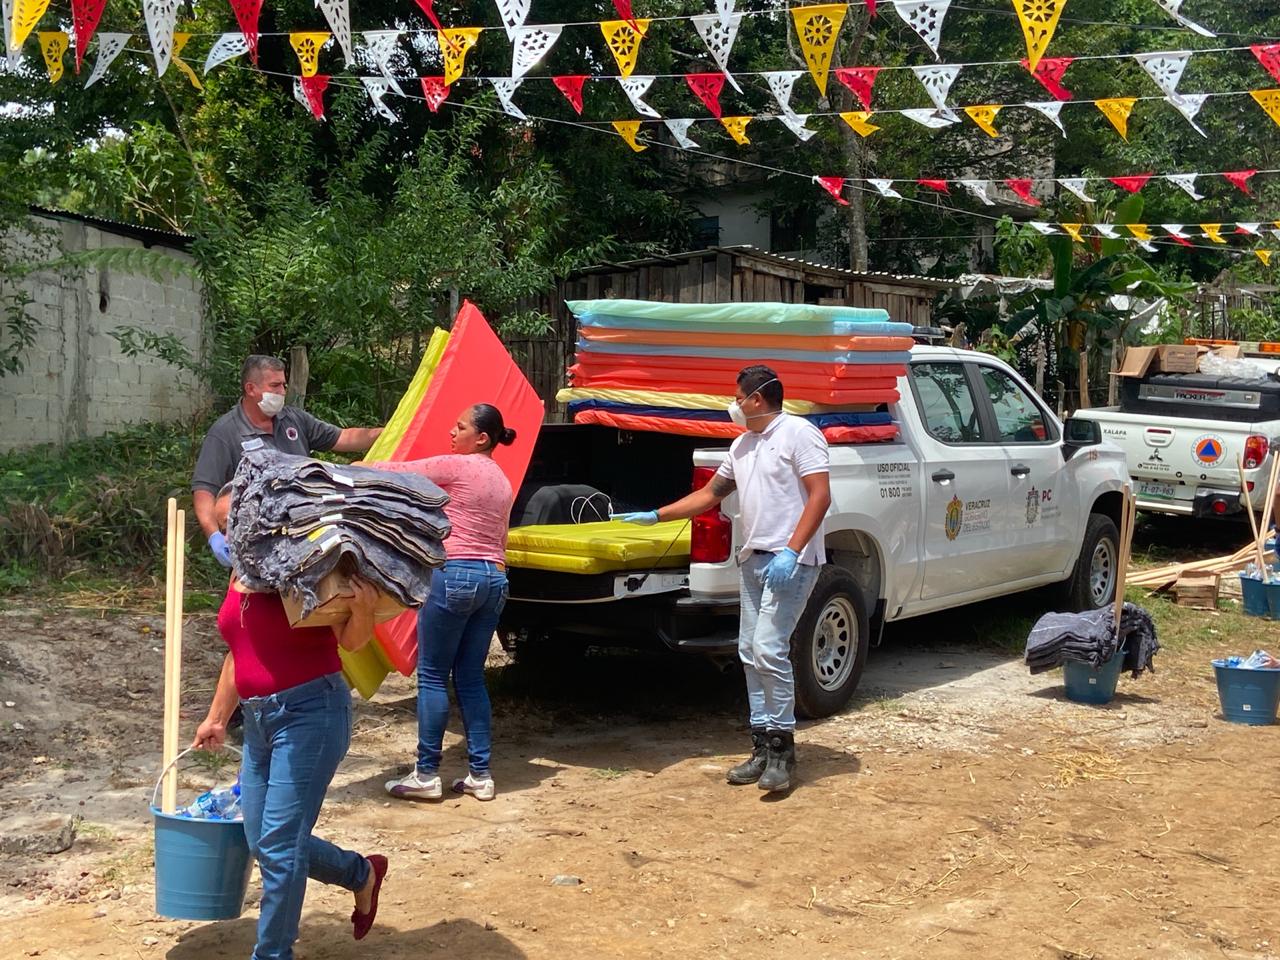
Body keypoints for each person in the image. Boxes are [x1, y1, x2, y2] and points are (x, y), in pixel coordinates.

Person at [192, 487, 389, 959]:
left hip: (311, 715)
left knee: (279, 847)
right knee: (263, 839)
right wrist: (217, 717)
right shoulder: (243, 572)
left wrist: (361, 609)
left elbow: (352, 642)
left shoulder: (302, 563)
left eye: (232, 524)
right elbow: (239, 652)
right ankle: (361, 873)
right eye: (222, 528)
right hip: (260, 722)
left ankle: (273, 954)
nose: (226, 536)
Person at [618, 366, 830, 793]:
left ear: (756, 399)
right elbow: (709, 495)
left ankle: (783, 751)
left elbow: (820, 494)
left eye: (737, 396)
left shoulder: (799, 434)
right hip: (753, 560)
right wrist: (655, 515)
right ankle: (760, 745)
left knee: (770, 649)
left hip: (792, 561)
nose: (732, 403)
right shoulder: (742, 445)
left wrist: (792, 550)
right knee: (749, 652)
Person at [379, 404, 516, 803]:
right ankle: (480, 774)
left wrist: (357, 467)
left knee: (434, 675)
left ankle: (426, 774)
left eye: (460, 427)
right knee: (471, 677)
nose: (452, 433)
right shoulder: (502, 481)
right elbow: (502, 538)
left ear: (482, 438)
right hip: (495, 579)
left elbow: (401, 474)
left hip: (455, 574)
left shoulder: (459, 466)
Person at [192, 355, 384, 569]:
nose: (282, 392)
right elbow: (204, 490)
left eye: (283, 385)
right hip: (258, 548)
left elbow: (343, 438)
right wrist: (214, 536)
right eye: (274, 386)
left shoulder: (293, 420)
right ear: (251, 388)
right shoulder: (226, 432)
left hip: (306, 536)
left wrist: (393, 431)